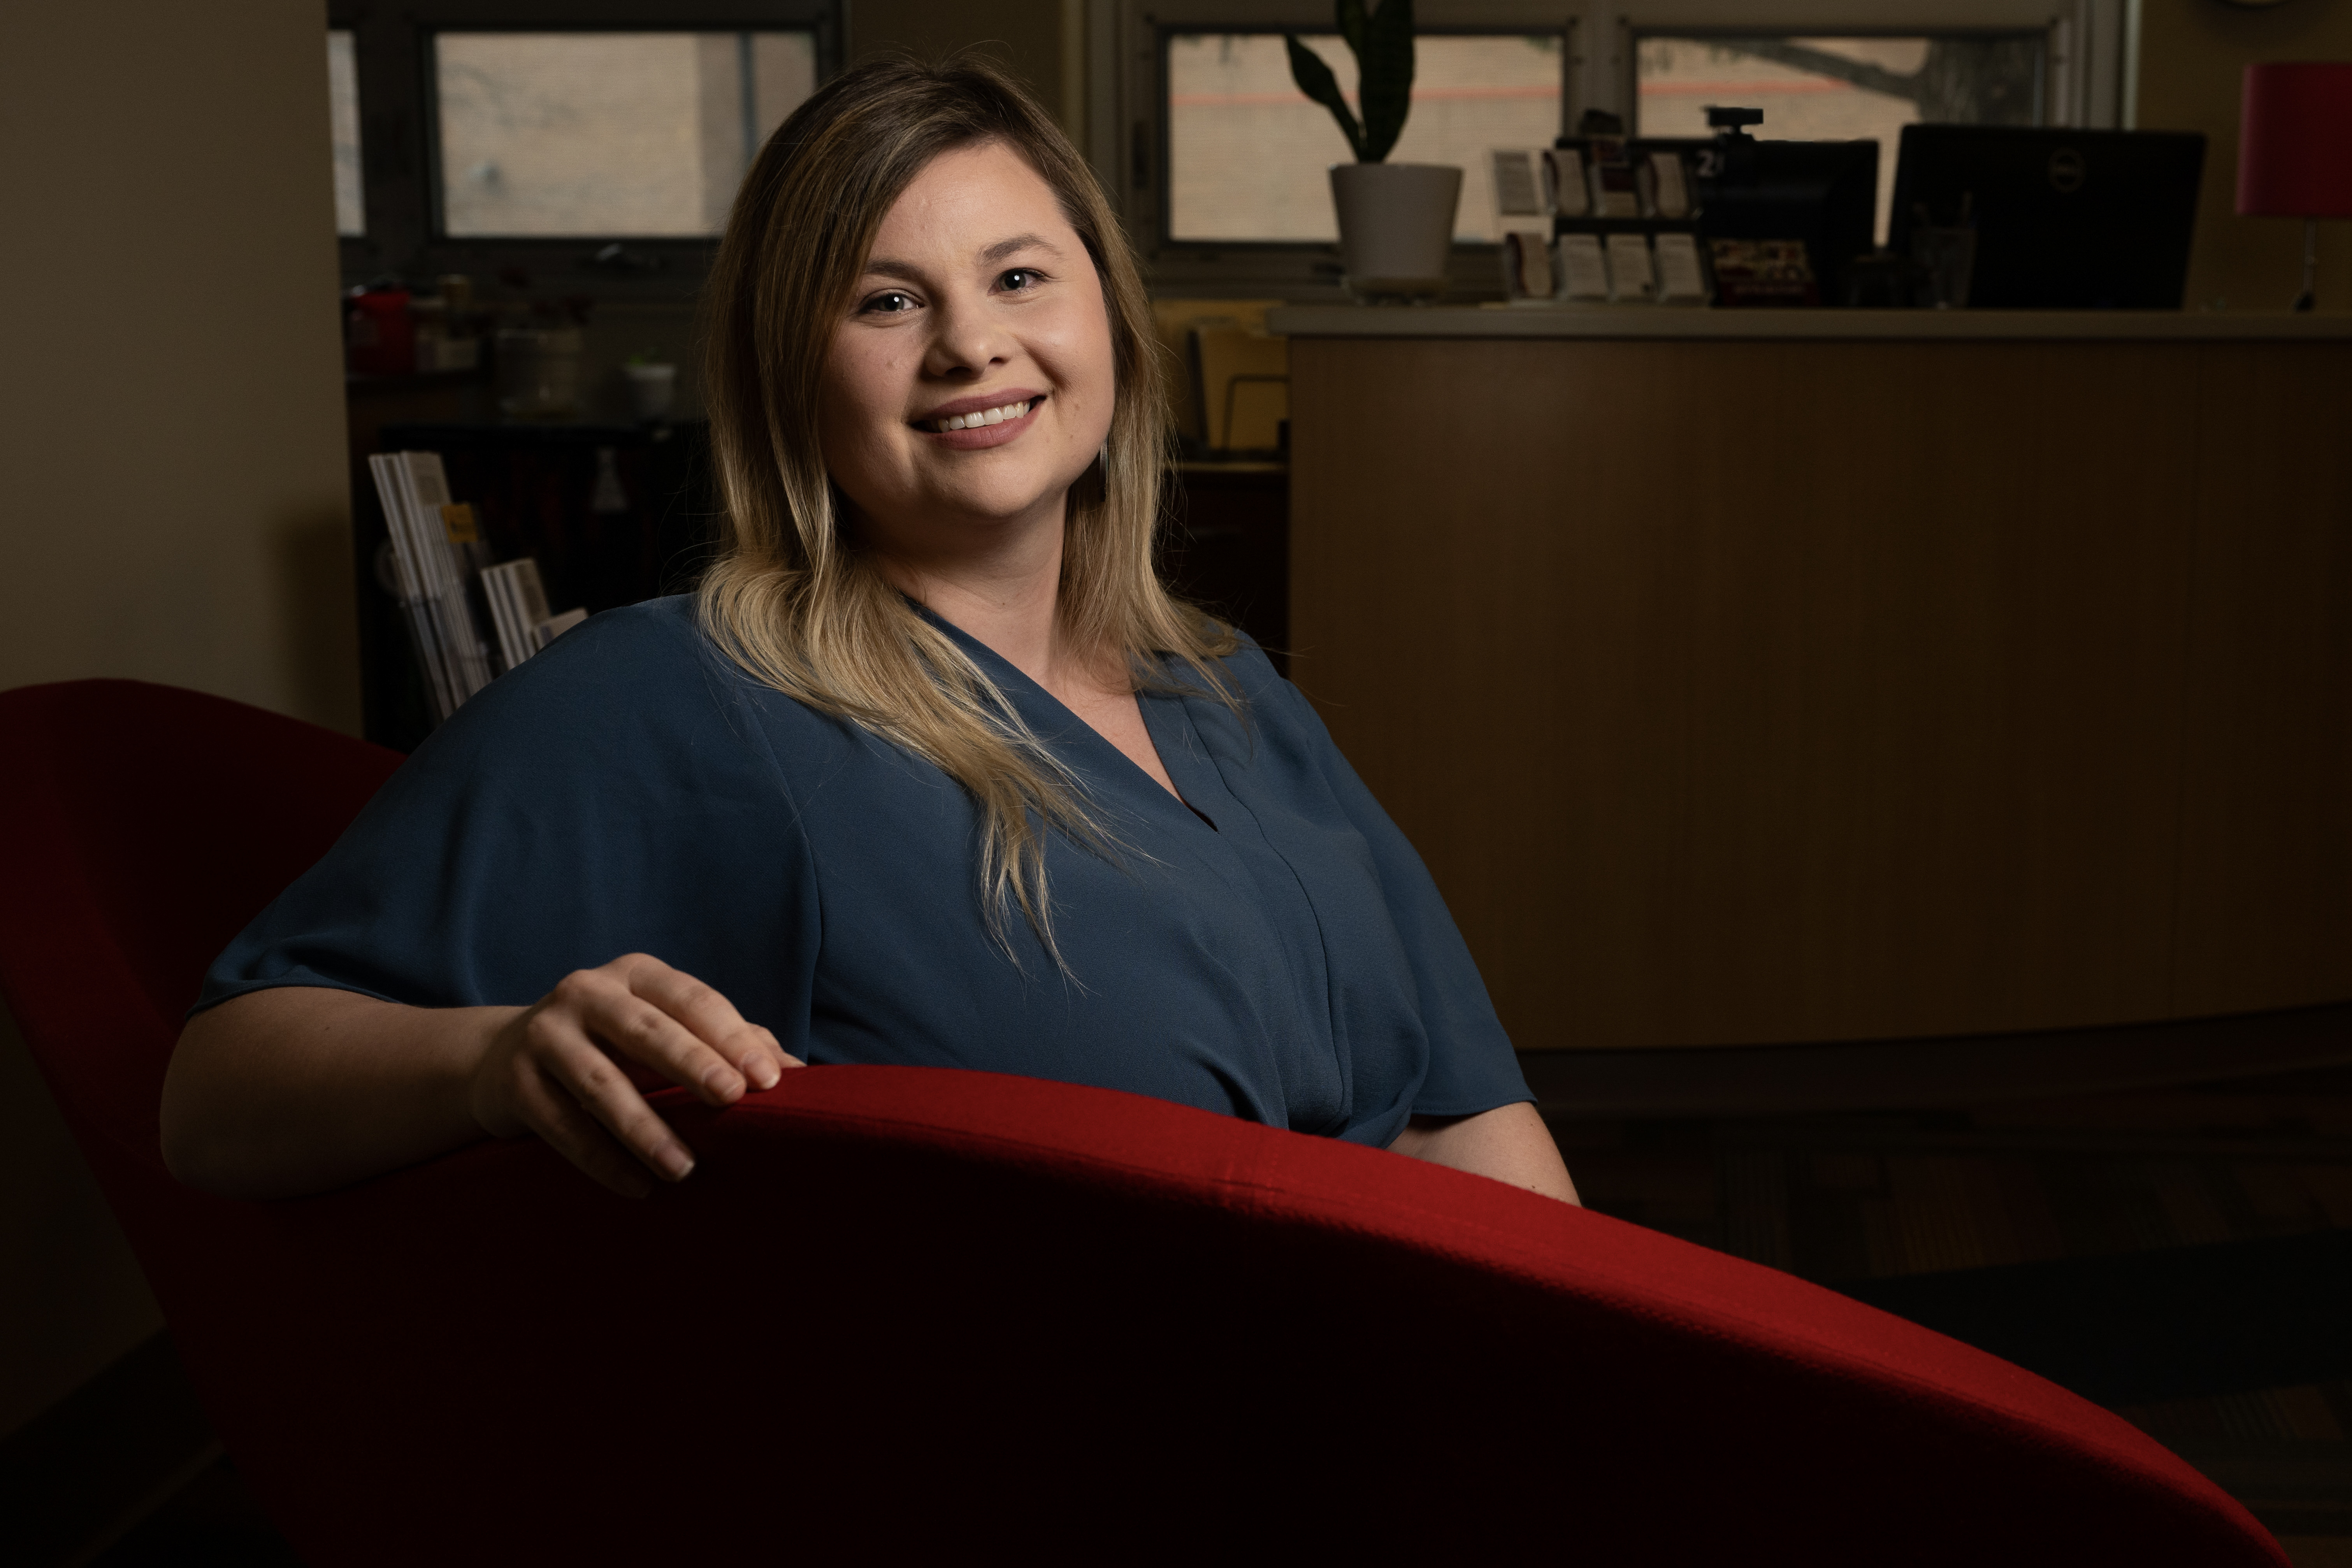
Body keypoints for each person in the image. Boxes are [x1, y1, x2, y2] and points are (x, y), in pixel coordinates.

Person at [161, 56, 1577, 1208]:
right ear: (792, 381)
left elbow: (1467, 1119)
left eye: (1019, 278)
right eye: (888, 302)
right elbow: (215, 1095)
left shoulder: (1228, 690)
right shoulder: (677, 698)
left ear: (1111, 323)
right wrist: (490, 1059)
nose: (970, 345)